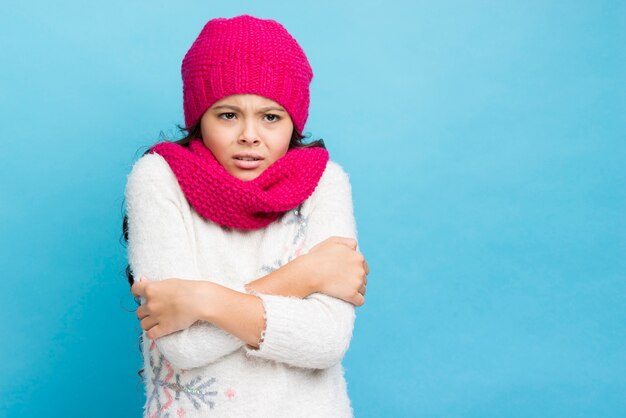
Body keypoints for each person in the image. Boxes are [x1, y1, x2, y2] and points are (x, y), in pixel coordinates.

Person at [123, 14, 369, 417]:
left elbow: (327, 341)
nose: (250, 135)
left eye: (271, 117)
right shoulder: (160, 178)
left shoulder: (324, 182)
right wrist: (304, 276)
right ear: (200, 118)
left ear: (293, 122)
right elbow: (184, 346)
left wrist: (202, 301)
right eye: (228, 115)